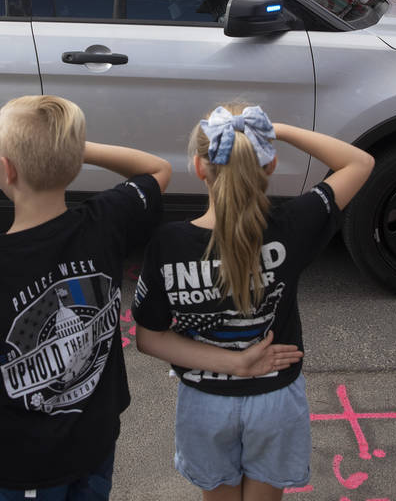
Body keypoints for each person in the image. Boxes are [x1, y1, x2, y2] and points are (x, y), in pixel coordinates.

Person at [0, 96, 296, 501]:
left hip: (20, 464)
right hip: (95, 444)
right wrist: (69, 150)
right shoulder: (105, 221)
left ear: (5, 169)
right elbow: (155, 169)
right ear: (74, 166)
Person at [133, 103, 375, 501]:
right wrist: (277, 130)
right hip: (274, 400)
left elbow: (150, 338)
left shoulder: (169, 243)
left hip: (205, 403)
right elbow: (359, 163)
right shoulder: (292, 226)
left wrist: (234, 364)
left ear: (198, 167)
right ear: (271, 164)